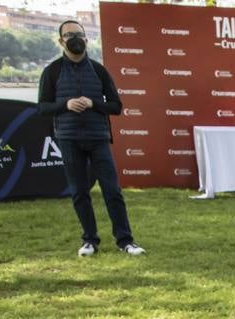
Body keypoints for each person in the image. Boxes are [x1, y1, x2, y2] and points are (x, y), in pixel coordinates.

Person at [37, 19, 145, 258]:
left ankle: (125, 240)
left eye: (79, 34)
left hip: (98, 138)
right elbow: (43, 107)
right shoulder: (52, 71)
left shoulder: (99, 70)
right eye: (69, 35)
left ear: (86, 38)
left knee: (112, 190)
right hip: (68, 139)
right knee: (79, 192)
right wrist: (65, 104)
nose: (75, 38)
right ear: (60, 41)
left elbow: (116, 106)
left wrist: (93, 103)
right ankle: (89, 240)